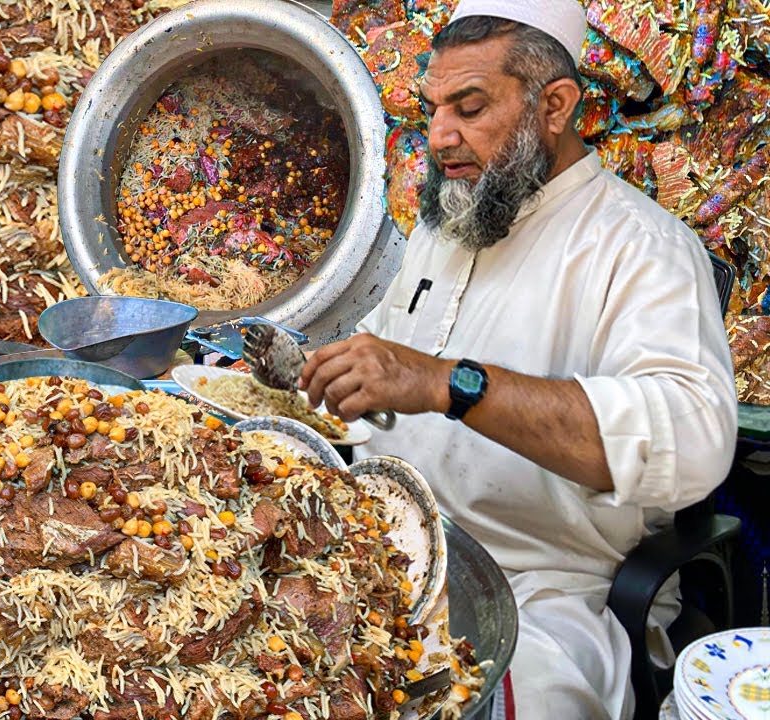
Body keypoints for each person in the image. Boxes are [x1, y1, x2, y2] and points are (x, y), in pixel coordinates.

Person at [300, 1, 737, 717]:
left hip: (546, 589)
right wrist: (300, 379)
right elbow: (377, 364)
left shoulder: (640, 248)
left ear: (554, 106)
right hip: (382, 544)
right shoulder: (449, 228)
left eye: (469, 108)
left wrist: (451, 384)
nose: (440, 135)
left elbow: (692, 440)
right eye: (434, 108)